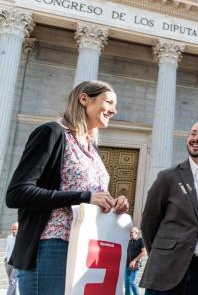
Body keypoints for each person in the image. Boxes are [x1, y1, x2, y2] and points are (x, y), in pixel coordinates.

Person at [5, 80, 129, 295]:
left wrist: (111, 201)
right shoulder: (51, 133)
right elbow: (17, 193)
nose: (114, 110)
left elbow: (90, 195)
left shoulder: (91, 146)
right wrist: (85, 196)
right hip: (50, 246)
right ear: (84, 99)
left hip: (84, 247)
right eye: (109, 102)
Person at [140, 121, 198, 295]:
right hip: (165, 269)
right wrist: (163, 253)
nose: (195, 138)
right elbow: (148, 222)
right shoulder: (167, 177)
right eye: (192, 133)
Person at [125, 226, 147, 295]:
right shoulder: (129, 241)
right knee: (126, 283)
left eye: (132, 232)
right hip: (127, 265)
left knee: (132, 283)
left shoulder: (140, 240)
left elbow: (144, 252)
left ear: (137, 233)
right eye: (130, 232)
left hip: (135, 265)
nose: (130, 234)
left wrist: (134, 260)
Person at [4, 222, 19, 295]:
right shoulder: (9, 237)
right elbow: (7, 248)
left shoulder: (21, 238)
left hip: (16, 263)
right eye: (12, 229)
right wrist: (5, 258)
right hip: (8, 262)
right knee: (11, 281)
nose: (13, 231)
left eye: (15, 229)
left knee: (12, 281)